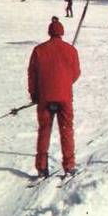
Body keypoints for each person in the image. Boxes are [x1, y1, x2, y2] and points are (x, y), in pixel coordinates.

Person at [27, 17, 81, 178]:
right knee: (66, 130)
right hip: (64, 97)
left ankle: (42, 167)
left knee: (44, 131)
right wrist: (65, 82)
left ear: (49, 32)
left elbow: (32, 74)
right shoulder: (71, 50)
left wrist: (34, 94)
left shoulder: (39, 50)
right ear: (62, 32)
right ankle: (69, 165)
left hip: (44, 97)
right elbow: (76, 73)